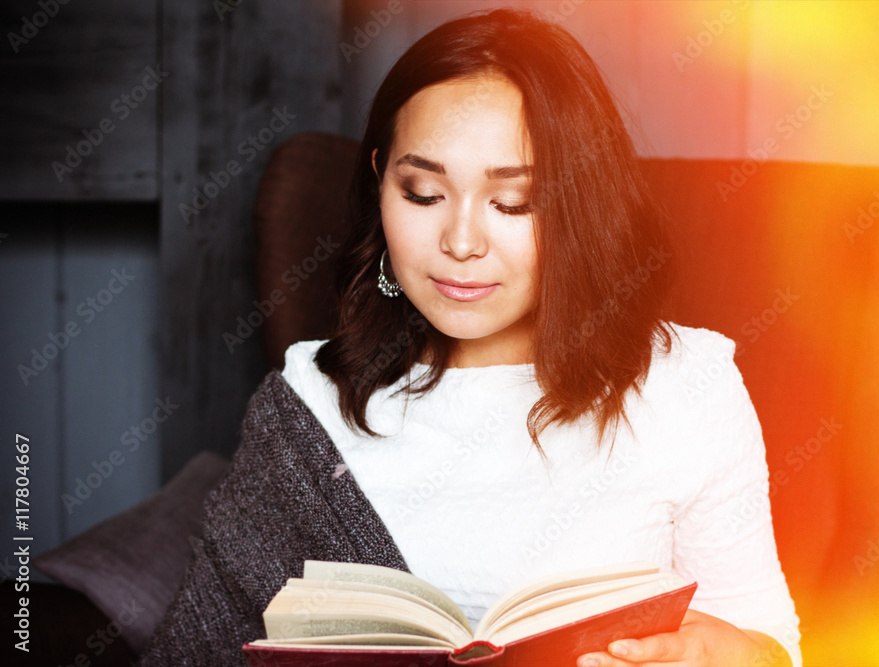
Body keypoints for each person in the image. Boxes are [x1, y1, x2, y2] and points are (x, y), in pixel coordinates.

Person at [141, 8, 800, 666]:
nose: (459, 243)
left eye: (512, 203)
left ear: (579, 203)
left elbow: (772, 646)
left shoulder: (689, 384)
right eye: (423, 193)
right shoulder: (309, 399)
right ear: (380, 183)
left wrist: (723, 654)